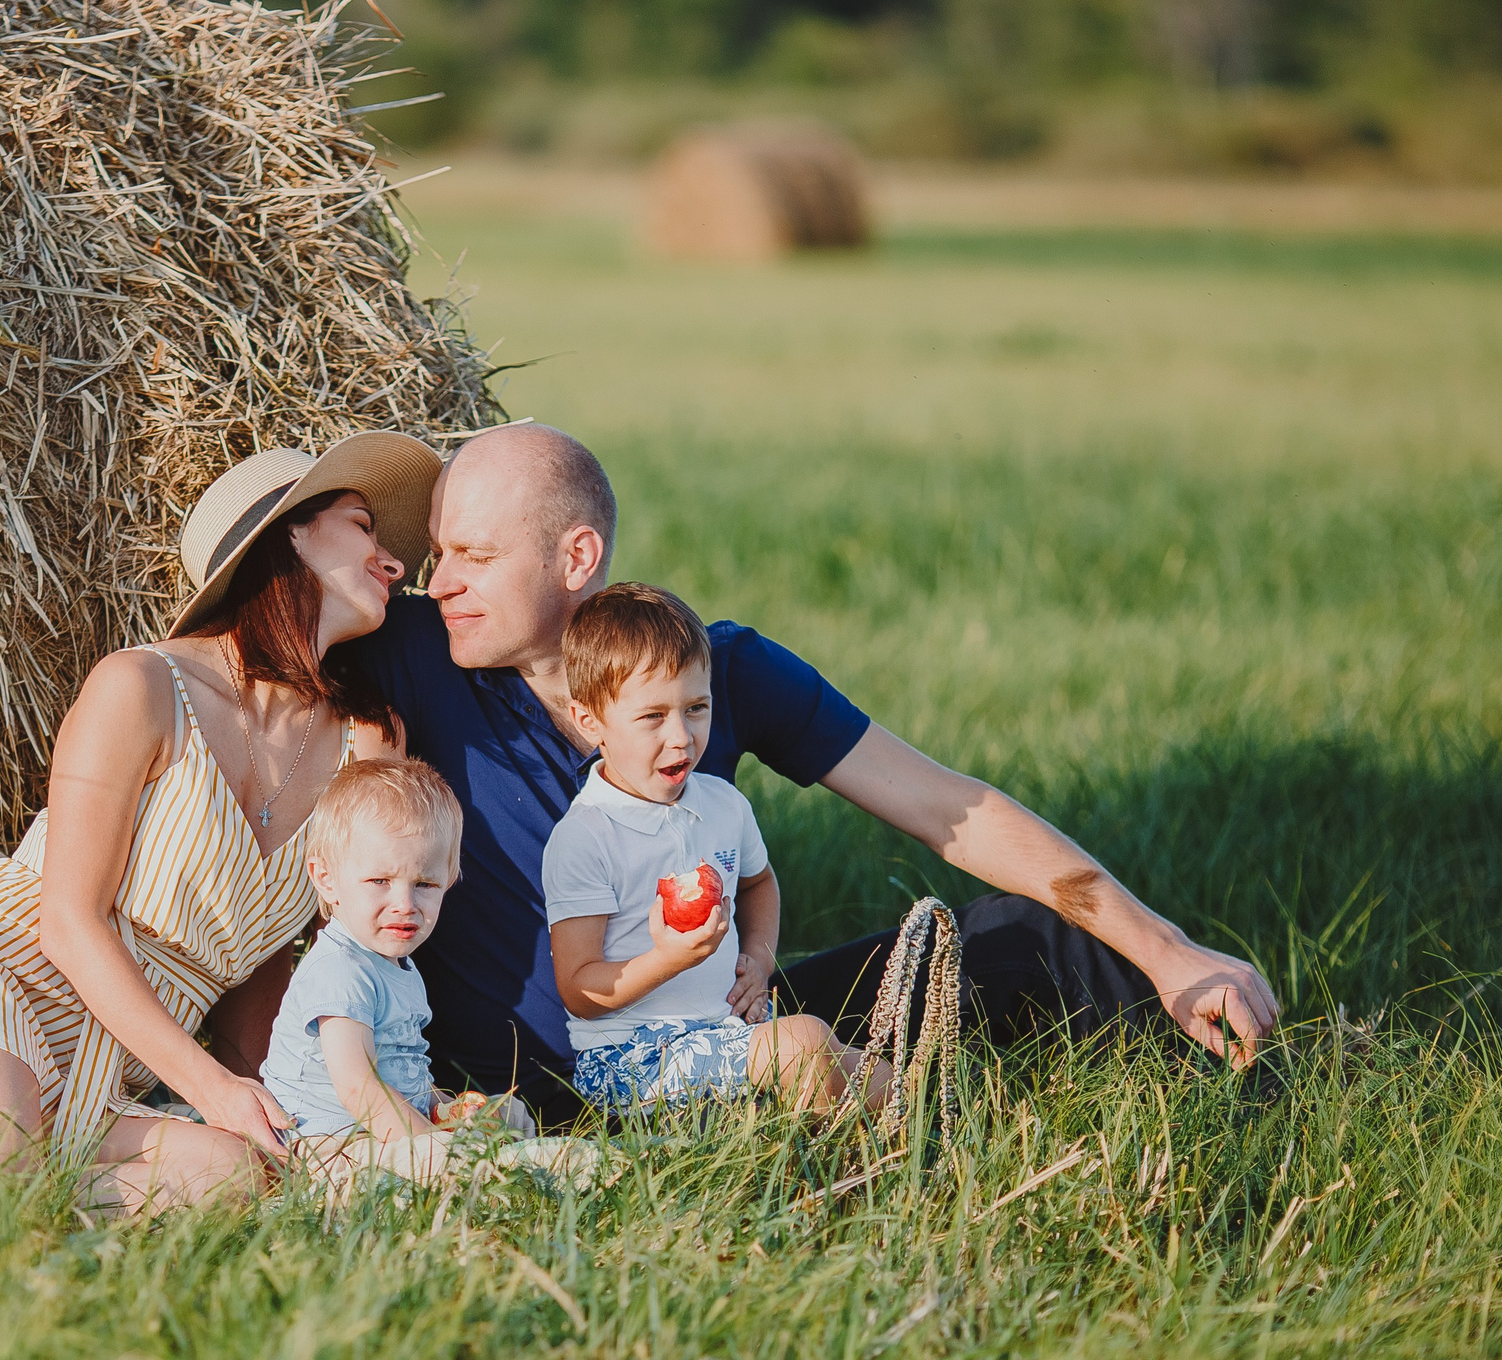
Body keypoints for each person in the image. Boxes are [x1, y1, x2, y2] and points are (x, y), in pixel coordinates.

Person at [338, 422, 1280, 1120]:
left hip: (719, 1039)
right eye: (438, 553)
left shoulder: (718, 669)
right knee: (793, 1053)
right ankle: (946, 1139)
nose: (439, 580)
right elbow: (252, 634)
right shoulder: (411, 655)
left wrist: (1166, 951)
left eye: (474, 555)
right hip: (537, 1090)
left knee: (1049, 938)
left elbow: (947, 806)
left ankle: (1254, 1086)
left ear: (575, 556)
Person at [0, 430, 447, 1213]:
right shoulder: (141, 685)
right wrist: (212, 1086)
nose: (394, 562)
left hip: (122, 1067)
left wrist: (298, 1105)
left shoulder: (369, 741)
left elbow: (271, 965)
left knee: (245, 1179)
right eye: (362, 526)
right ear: (285, 535)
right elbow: (68, 921)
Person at [544, 584, 868, 1113]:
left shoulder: (723, 804)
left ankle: (927, 1127)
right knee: (808, 1042)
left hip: (723, 1031)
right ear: (589, 722)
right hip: (631, 1060)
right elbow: (579, 989)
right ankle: (815, 1151)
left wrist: (759, 962)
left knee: (859, 1063)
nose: (682, 737)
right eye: (652, 717)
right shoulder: (586, 836)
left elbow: (759, 883)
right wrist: (667, 960)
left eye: (696, 708)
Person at [260, 757, 533, 1181]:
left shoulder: (396, 965)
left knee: (506, 1118)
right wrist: (430, 1144)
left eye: (424, 884)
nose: (405, 904)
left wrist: (448, 1107)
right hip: (321, 1144)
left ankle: (491, 1163)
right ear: (327, 879)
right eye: (380, 881)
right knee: (440, 1166)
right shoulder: (340, 970)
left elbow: (404, 1071)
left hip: (379, 1131)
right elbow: (359, 1086)